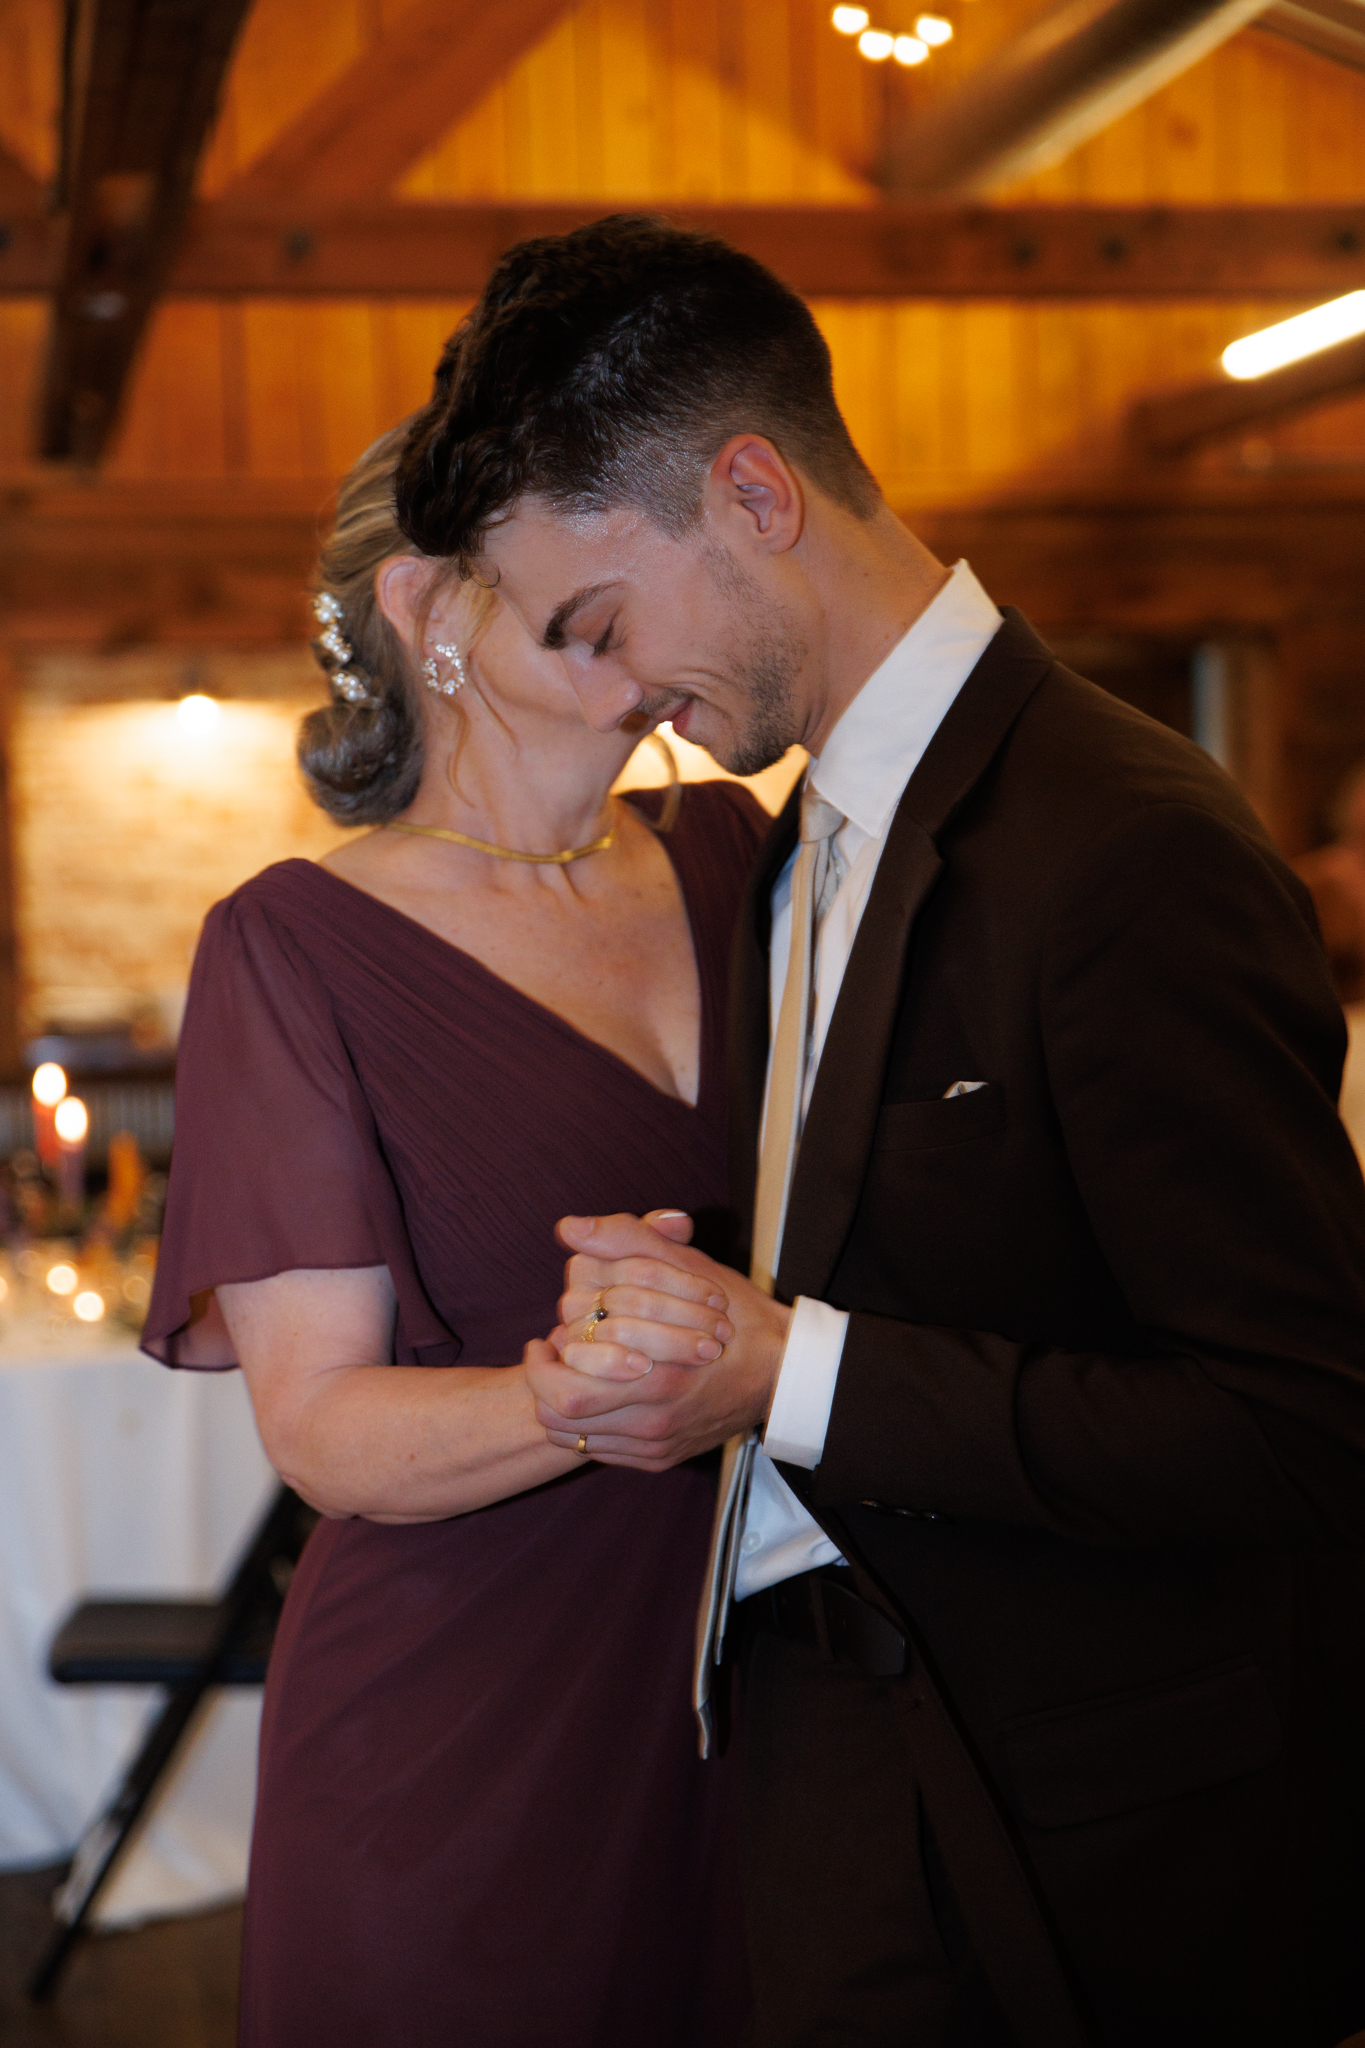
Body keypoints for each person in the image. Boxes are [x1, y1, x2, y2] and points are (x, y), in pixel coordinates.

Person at [393, 217, 1365, 2048]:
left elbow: (1305, 1426)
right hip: (834, 1760)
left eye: (601, 623)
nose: (610, 694)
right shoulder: (790, 851)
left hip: (1080, 1844)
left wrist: (788, 1370)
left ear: (753, 494)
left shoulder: (1128, 843)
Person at [142, 423, 761, 2048]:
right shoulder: (293, 947)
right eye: (582, 535)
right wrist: (564, 1397)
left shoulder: (742, 861)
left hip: (773, 1716)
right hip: (456, 1734)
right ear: (427, 605)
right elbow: (321, 1427)